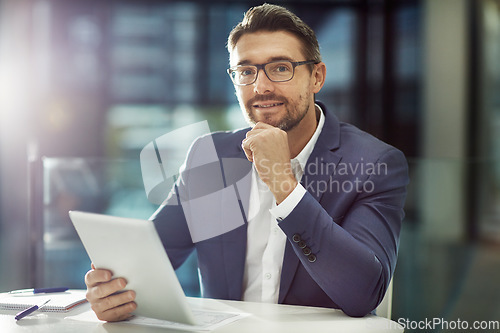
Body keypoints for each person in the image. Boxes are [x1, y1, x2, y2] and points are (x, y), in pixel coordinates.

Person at [85, 3, 409, 321]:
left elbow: (363, 293)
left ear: (316, 77)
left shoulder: (374, 164)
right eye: (246, 71)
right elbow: (147, 262)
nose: (261, 86)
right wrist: (112, 292)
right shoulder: (211, 156)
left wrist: (285, 185)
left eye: (281, 68)